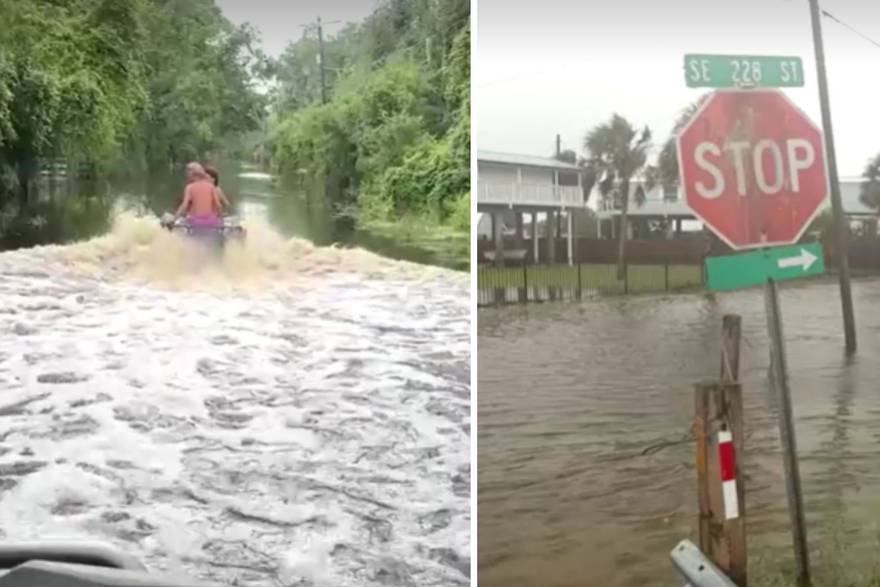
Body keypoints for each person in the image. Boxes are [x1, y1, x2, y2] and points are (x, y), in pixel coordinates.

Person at [172, 162, 222, 227]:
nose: (186, 176)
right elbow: (218, 205)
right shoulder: (211, 186)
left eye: (187, 174)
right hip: (210, 221)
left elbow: (184, 206)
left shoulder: (189, 187)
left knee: (187, 216)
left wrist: (173, 220)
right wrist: (221, 219)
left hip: (195, 222)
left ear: (193, 174)